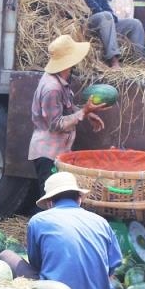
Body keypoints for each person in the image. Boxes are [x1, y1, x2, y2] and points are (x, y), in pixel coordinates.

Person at [0, 172, 122, 289]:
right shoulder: (101, 222)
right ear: (79, 199)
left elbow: (37, 264)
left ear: (49, 202)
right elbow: (112, 268)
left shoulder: (38, 221)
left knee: (5, 255)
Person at [28, 35, 107, 196]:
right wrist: (83, 112)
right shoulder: (52, 88)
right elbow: (55, 124)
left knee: (56, 197)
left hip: (58, 150)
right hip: (47, 153)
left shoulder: (60, 80)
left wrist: (85, 113)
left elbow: (64, 108)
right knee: (50, 199)